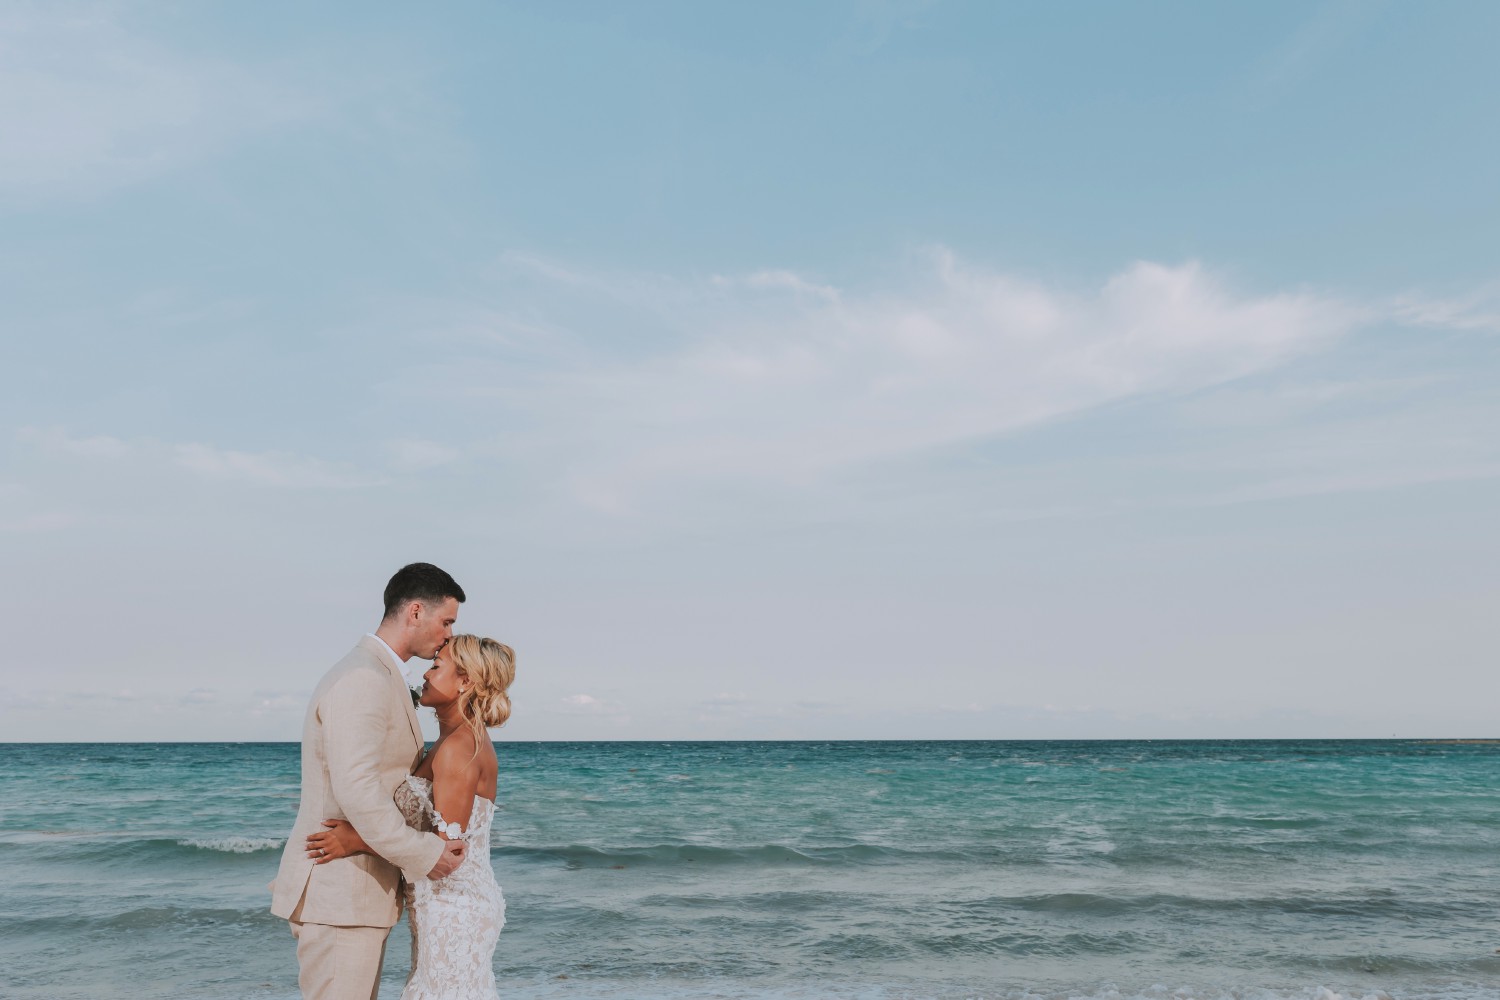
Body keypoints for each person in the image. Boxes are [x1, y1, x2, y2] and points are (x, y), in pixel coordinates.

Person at [270, 563, 469, 1000]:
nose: (449, 634)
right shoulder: (363, 677)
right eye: (446, 621)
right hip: (339, 893)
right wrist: (424, 853)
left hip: (355, 894)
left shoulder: (379, 674)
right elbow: (356, 788)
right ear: (415, 611)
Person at [306, 634, 516, 1000]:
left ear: (465, 681)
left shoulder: (459, 749)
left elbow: (445, 851)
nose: (427, 674)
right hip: (447, 903)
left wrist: (355, 841)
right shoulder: (457, 741)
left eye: (437, 666)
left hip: (454, 908)